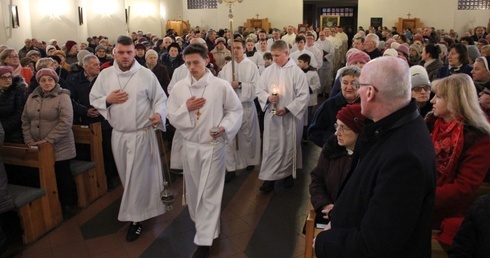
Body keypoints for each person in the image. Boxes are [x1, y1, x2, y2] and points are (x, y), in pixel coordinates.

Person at [314, 57, 436, 258]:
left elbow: (376, 244)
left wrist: (324, 242)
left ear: (369, 92)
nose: (356, 90)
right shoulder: (398, 127)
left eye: (359, 85)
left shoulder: (405, 158)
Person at [166, 43, 243, 258]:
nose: (191, 67)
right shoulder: (180, 88)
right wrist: (186, 108)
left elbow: (235, 110)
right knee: (194, 191)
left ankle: (204, 241)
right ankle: (207, 227)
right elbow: (171, 115)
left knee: (209, 193)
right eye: (188, 63)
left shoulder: (220, 85)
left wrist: (224, 127)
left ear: (206, 61)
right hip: (190, 147)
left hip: (212, 147)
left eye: (196, 62)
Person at [89, 35, 167, 242]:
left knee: (136, 176)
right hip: (120, 136)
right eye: (121, 52)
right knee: (127, 176)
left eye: (129, 52)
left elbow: (160, 99)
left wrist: (158, 114)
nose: (125, 56)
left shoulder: (145, 75)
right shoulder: (105, 75)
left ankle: (135, 221)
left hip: (142, 135)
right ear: (114, 52)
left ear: (135, 52)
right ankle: (143, 209)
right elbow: (94, 98)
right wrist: (107, 99)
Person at [425, 74, 490, 248]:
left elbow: (464, 187)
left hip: (447, 210)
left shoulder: (478, 137)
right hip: (423, 198)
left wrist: (422, 197)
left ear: (455, 100)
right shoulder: (431, 124)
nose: (432, 101)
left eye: (438, 96)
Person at [22, 68, 78, 218]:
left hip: (60, 145)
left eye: (50, 80)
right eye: (43, 80)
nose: (47, 83)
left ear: (55, 81)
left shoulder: (62, 96)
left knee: (62, 175)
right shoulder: (32, 97)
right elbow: (25, 120)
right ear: (38, 82)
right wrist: (29, 140)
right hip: (37, 145)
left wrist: (48, 140)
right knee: (44, 175)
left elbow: (66, 122)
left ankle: (69, 204)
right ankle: (51, 206)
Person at [256, 40, 309, 193]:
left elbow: (303, 96)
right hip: (272, 117)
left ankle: (287, 175)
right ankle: (269, 179)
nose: (275, 59)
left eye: (278, 56)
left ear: (286, 53)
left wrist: (287, 108)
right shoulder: (268, 71)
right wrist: (267, 98)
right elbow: (259, 90)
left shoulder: (296, 72)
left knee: (289, 146)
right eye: (272, 56)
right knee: (270, 147)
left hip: (289, 119)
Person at [309, 104, 366, 222]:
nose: (337, 133)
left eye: (343, 128)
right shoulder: (331, 148)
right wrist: (325, 205)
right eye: (337, 126)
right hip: (326, 214)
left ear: (358, 130)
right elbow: (317, 180)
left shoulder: (368, 159)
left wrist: (340, 212)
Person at [218, 39, 261, 183]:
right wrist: (228, 87)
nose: (235, 50)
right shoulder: (226, 68)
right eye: (233, 48)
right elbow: (221, 86)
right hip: (230, 108)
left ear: (244, 49)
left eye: (238, 48)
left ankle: (248, 160)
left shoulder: (251, 66)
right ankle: (231, 167)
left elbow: (257, 88)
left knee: (247, 135)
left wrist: (241, 85)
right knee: (229, 138)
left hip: (246, 106)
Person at [308, 66, 361, 147]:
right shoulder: (329, 105)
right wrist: (335, 141)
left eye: (354, 83)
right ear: (340, 85)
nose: (349, 87)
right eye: (345, 83)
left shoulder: (367, 106)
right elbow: (314, 132)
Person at [0, 66, 27, 143]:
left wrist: (2, 128)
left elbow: (20, 114)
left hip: (14, 134)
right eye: (3, 77)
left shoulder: (18, 91)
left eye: (9, 77)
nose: (7, 80)